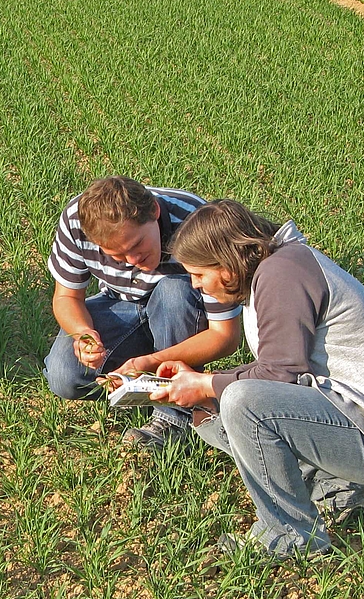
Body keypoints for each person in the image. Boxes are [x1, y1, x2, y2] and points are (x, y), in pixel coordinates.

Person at [156, 200, 364, 558]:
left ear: (227, 263)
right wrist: (203, 383)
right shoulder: (280, 266)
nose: (197, 286)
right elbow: (281, 371)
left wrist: (206, 384)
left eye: (199, 274)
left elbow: (280, 374)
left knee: (240, 403)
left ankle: (291, 535)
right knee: (212, 417)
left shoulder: (281, 275)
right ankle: (340, 483)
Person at [44, 177, 242, 448]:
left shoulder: (195, 223)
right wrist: (83, 334)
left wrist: (154, 360)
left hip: (182, 310)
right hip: (122, 304)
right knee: (64, 375)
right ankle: (139, 389)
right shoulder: (76, 222)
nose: (133, 262)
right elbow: (66, 297)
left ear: (155, 212)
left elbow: (226, 335)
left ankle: (176, 417)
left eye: (137, 246)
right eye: (117, 256)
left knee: (173, 291)